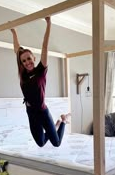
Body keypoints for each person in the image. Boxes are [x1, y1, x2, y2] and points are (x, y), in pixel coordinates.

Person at [10, 17, 70, 147]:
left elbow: (45, 46)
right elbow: (16, 49)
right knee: (41, 143)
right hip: (31, 112)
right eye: (24, 61)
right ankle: (56, 125)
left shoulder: (40, 71)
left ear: (34, 58)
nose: (27, 63)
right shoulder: (23, 74)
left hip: (42, 112)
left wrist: (49, 23)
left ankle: (63, 121)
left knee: (56, 143)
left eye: (29, 59)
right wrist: (14, 32)